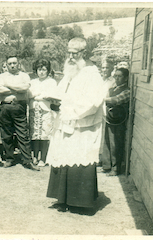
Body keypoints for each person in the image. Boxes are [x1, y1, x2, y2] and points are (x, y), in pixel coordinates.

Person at [46, 38, 106, 213]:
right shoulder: (70, 71)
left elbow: (93, 102)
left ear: (84, 53)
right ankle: (63, 198)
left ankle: (80, 202)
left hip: (82, 126)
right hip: (66, 123)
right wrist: (54, 100)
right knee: (64, 157)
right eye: (69, 53)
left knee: (80, 160)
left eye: (75, 53)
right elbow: (61, 92)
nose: (71, 57)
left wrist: (68, 109)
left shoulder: (92, 74)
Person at [0, 55, 40, 171]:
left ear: (18, 64)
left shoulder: (24, 76)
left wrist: (9, 87)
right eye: (10, 63)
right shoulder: (2, 76)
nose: (12, 65)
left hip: (19, 107)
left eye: (14, 63)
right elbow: (0, 89)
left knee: (23, 134)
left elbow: (24, 88)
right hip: (5, 107)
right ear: (6, 64)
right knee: (6, 134)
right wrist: (17, 89)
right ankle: (9, 159)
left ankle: (27, 160)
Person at [101, 68, 130, 176]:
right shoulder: (112, 89)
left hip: (119, 121)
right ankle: (106, 165)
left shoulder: (127, 91)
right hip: (110, 118)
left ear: (126, 78)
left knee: (116, 144)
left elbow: (116, 100)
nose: (117, 78)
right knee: (107, 141)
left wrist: (102, 99)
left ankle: (116, 168)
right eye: (115, 76)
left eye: (119, 76)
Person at [28, 59, 57, 167]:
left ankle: (43, 158)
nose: (41, 72)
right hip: (34, 109)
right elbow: (29, 94)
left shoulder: (52, 82)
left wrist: (39, 95)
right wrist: (40, 95)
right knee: (35, 134)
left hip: (45, 110)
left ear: (48, 71)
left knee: (44, 134)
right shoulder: (33, 82)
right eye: (39, 69)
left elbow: (51, 95)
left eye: (44, 70)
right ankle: (35, 156)